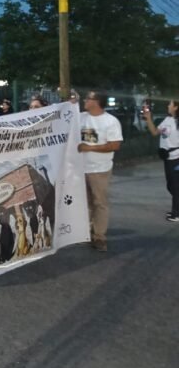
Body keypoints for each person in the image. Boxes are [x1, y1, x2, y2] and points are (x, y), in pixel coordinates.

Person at [78, 90, 123, 251]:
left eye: (88, 98)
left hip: (99, 169)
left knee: (100, 203)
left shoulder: (110, 121)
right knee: (86, 203)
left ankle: (99, 237)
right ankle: (88, 231)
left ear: (96, 102)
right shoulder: (81, 117)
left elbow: (115, 145)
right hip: (80, 169)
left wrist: (89, 148)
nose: (85, 100)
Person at [143, 99, 179, 222]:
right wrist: (148, 118)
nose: (168, 105)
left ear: (176, 107)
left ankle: (176, 213)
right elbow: (155, 132)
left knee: (176, 186)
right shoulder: (167, 120)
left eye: (170, 104)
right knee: (170, 185)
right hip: (167, 157)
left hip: (177, 157)